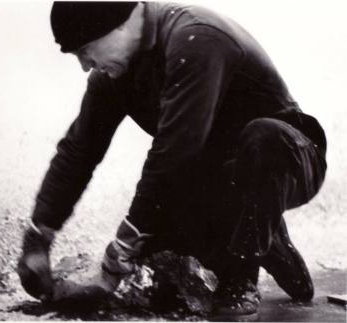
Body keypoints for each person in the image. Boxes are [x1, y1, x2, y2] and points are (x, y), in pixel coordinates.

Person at [17, 2, 327, 321]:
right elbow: (78, 152)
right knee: (161, 269)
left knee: (262, 138)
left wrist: (122, 248)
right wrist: (38, 236)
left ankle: (241, 274)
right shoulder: (112, 73)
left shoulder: (197, 37)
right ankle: (270, 244)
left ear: (120, 24)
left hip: (290, 157)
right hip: (217, 178)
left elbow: (176, 149)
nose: (85, 65)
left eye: (85, 50)